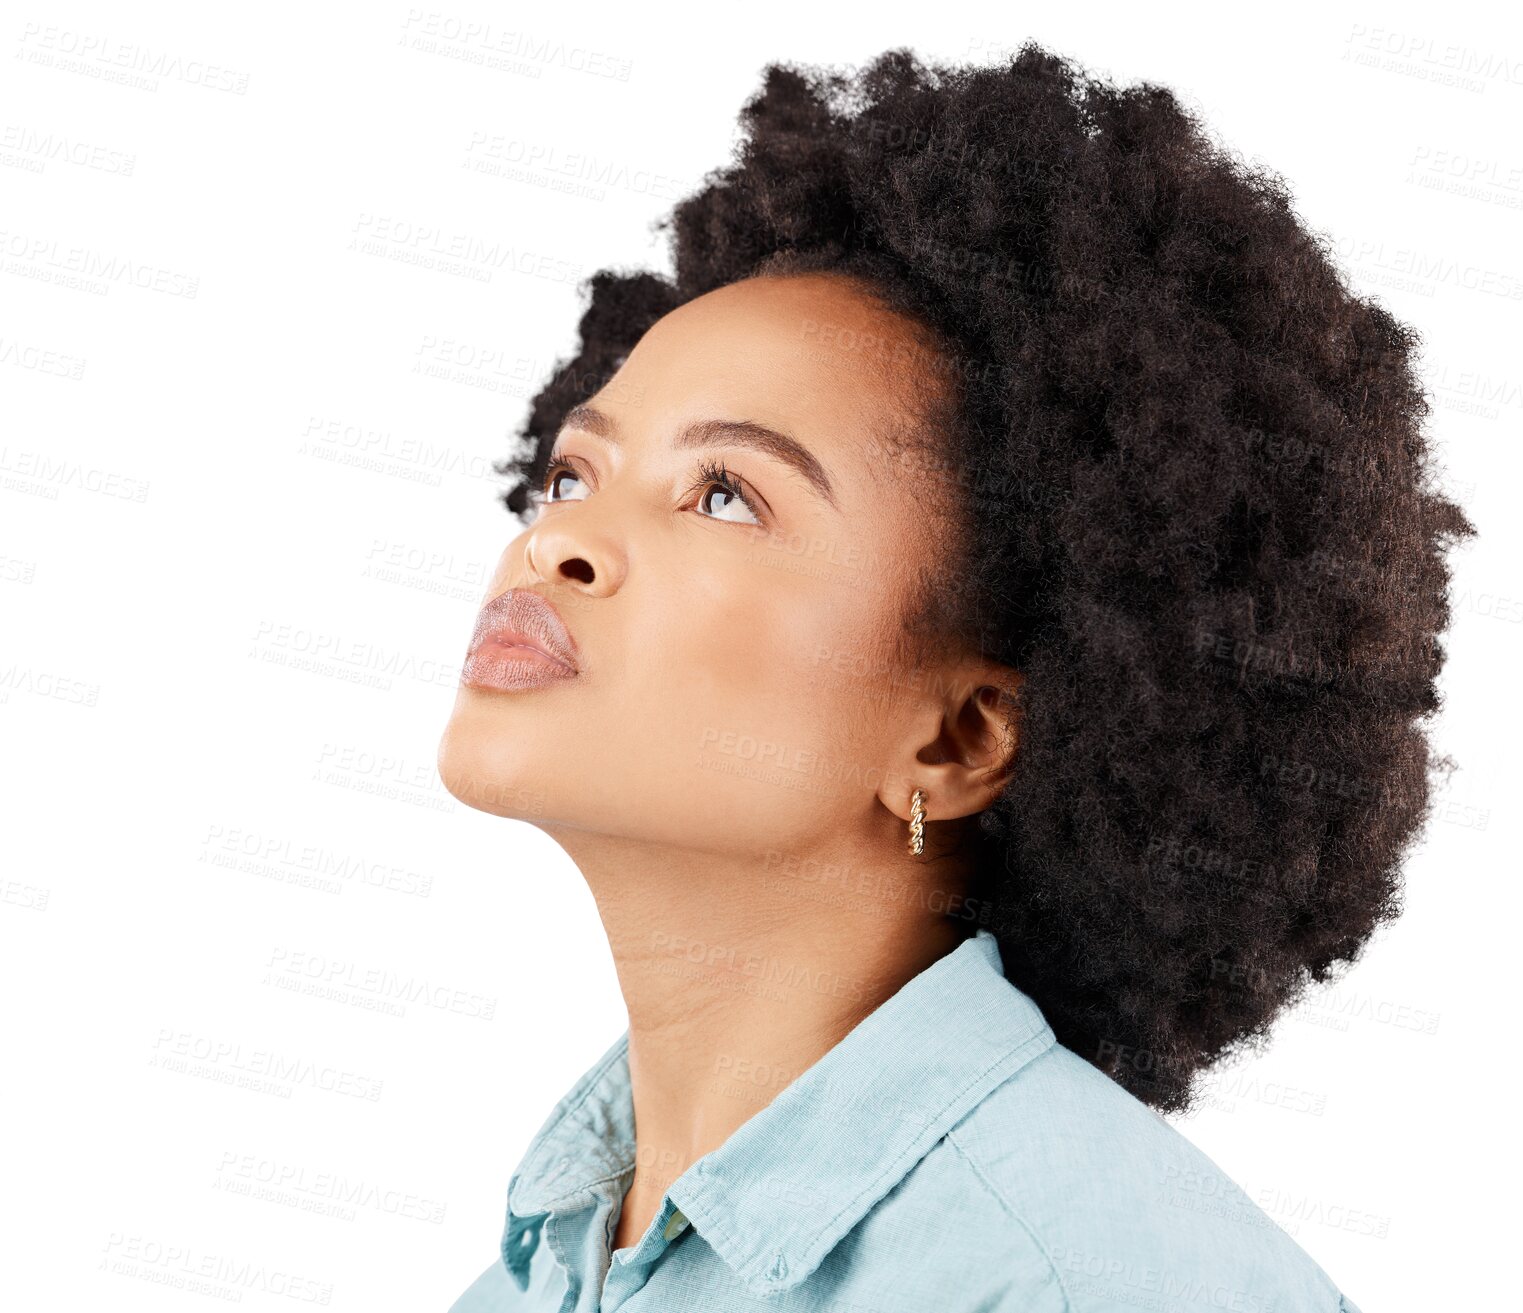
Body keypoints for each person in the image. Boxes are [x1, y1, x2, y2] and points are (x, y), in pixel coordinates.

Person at [437, 42, 1471, 1312]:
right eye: (570, 474)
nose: (557, 541)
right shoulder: (530, 1273)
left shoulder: (1092, 1285)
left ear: (960, 739)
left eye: (722, 493)